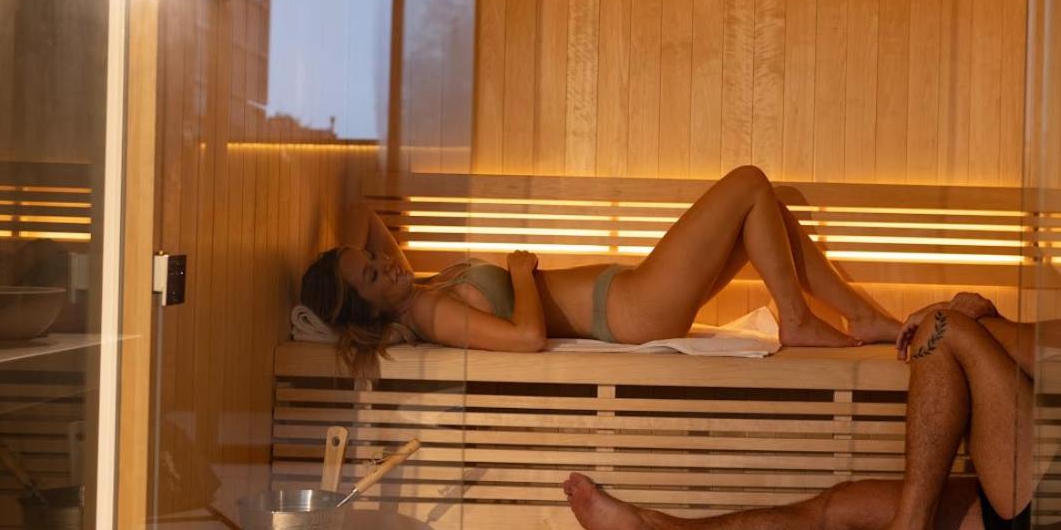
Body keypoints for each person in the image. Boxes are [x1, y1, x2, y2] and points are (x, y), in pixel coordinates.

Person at [563, 157, 1061, 530]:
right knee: (840, 507)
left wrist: (960, 317)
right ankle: (654, 528)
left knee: (945, 330)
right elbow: (1038, 343)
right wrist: (977, 320)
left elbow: (1027, 345)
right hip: (1051, 503)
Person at [301, 166, 901, 375]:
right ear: (368, 311)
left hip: (632, 296)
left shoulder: (414, 289)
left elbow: (361, 215)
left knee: (770, 213)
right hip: (631, 310)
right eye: (372, 276)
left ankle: (863, 316)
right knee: (748, 183)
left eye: (373, 261)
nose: (384, 263)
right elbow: (526, 338)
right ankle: (796, 319)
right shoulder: (432, 312)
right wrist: (519, 274)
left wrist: (347, 267)